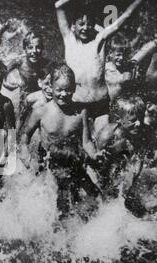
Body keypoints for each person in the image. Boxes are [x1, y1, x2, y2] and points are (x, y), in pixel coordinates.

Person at [20, 63, 101, 217]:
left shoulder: (80, 113)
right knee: (51, 204)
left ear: (74, 89)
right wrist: (24, 150)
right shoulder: (41, 111)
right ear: (50, 87)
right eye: (59, 90)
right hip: (48, 164)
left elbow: (86, 142)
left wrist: (94, 155)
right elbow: (25, 134)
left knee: (96, 197)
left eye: (68, 90)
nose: (64, 94)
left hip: (73, 163)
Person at [55, 0, 145, 131]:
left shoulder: (100, 41)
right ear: (73, 25)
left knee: (102, 142)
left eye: (89, 24)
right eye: (81, 24)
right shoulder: (69, 40)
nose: (85, 28)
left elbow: (126, 16)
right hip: (76, 105)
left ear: (94, 26)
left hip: (100, 106)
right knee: (77, 143)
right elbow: (58, 6)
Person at [2, 30, 50, 118]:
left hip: (37, 94)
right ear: (25, 49)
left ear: (42, 48)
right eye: (30, 47)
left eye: (38, 47)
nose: (34, 51)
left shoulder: (46, 64)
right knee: (21, 116)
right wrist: (7, 85)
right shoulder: (20, 61)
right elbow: (2, 72)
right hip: (24, 95)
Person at [105, 32, 157, 102]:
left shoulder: (122, 65)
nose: (121, 58)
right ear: (110, 53)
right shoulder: (108, 67)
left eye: (124, 55)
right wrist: (122, 78)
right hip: (111, 101)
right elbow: (113, 79)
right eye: (118, 55)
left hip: (120, 99)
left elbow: (134, 62)